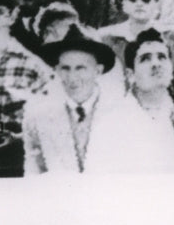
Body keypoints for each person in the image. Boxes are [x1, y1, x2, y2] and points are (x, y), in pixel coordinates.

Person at [0, 0, 51, 177]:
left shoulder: (32, 64)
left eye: (1, 13)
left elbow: (49, 112)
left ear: (12, 17)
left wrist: (20, 137)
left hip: (19, 155)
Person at [85, 29, 174, 174]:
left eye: (162, 57)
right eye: (145, 58)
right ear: (130, 75)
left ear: (171, 69)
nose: (156, 64)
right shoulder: (112, 123)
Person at [22, 25, 119, 174]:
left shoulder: (121, 112)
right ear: (57, 70)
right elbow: (34, 168)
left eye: (81, 68)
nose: (72, 77)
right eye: (66, 68)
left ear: (97, 71)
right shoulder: (38, 115)